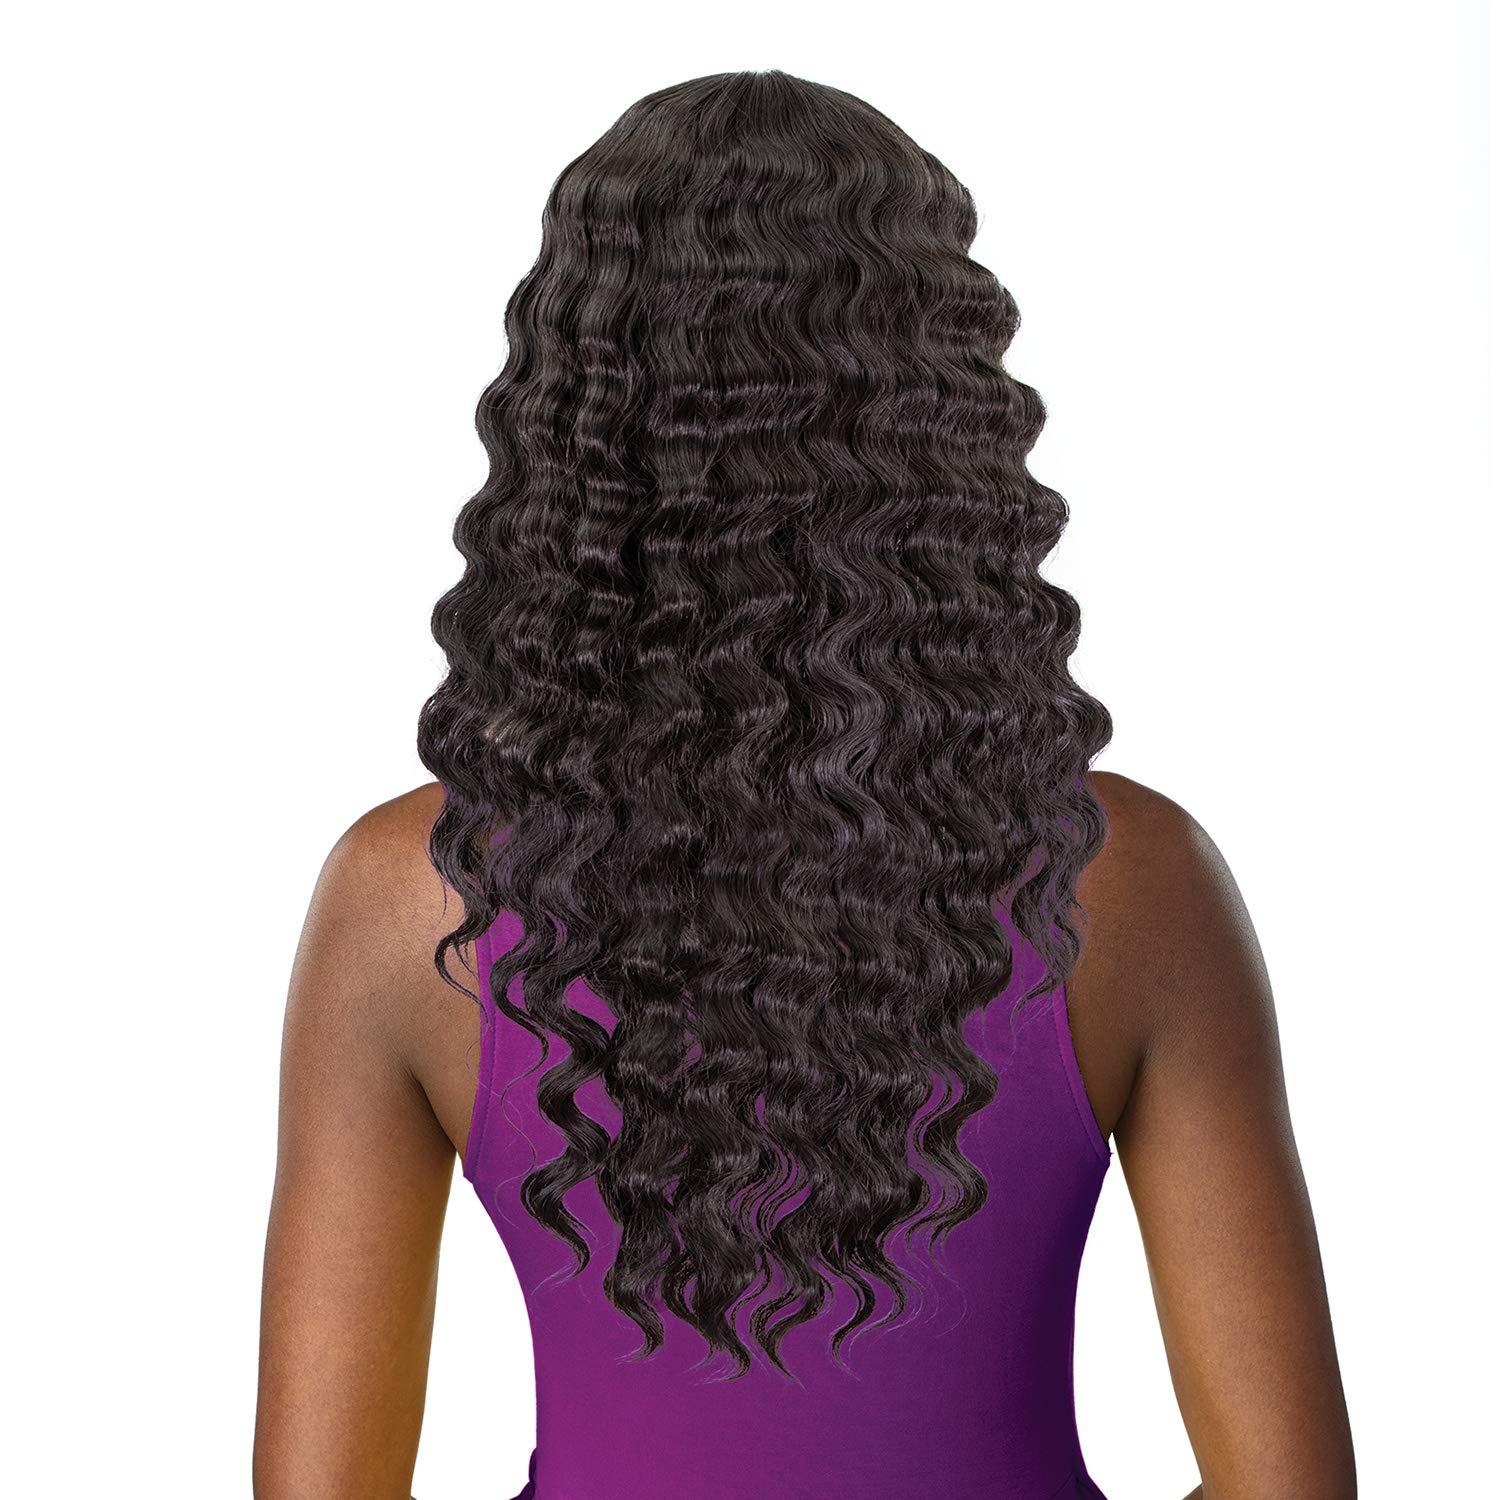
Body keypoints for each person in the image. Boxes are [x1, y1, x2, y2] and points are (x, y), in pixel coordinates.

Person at [254, 70, 1355, 1500]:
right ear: (944, 417)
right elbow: (1291, 1487)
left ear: (572, 422)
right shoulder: (1127, 879)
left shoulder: (407, 905)